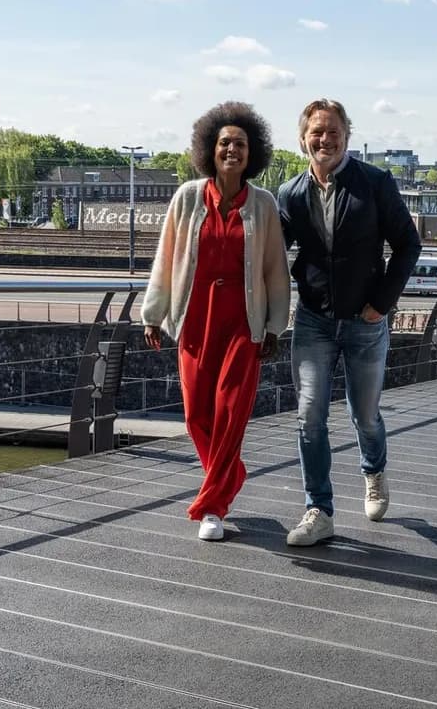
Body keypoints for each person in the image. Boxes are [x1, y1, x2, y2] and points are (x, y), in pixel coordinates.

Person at [141, 101, 291, 542]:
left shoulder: (263, 204)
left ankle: (212, 506)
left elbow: (274, 271)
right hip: (195, 319)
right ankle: (230, 473)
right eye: (225, 142)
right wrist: (153, 314)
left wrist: (274, 326)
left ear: (252, 152)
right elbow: (166, 259)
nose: (232, 150)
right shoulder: (188, 197)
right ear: (210, 147)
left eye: (240, 144)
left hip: (243, 324)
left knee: (229, 415)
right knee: (196, 415)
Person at [277, 98, 422, 547]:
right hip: (314, 321)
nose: (325, 139)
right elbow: (269, 253)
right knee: (309, 417)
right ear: (303, 138)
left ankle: (373, 472)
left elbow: (407, 245)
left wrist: (382, 302)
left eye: (333, 131)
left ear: (347, 136)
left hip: (365, 322)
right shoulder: (290, 194)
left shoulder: (375, 183)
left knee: (365, 416)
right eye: (316, 132)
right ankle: (318, 509)